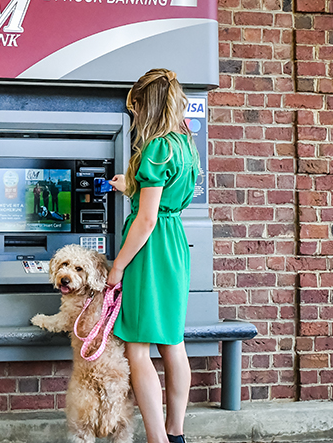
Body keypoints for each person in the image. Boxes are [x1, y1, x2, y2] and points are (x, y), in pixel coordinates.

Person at [107, 68, 200, 443]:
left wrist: (117, 266)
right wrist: (132, 185)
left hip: (150, 249)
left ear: (149, 105)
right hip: (174, 243)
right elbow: (163, 202)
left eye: (137, 108)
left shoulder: (157, 146)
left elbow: (146, 220)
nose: (134, 116)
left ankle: (155, 439)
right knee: (173, 341)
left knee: (138, 347)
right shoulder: (184, 144)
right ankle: (175, 433)